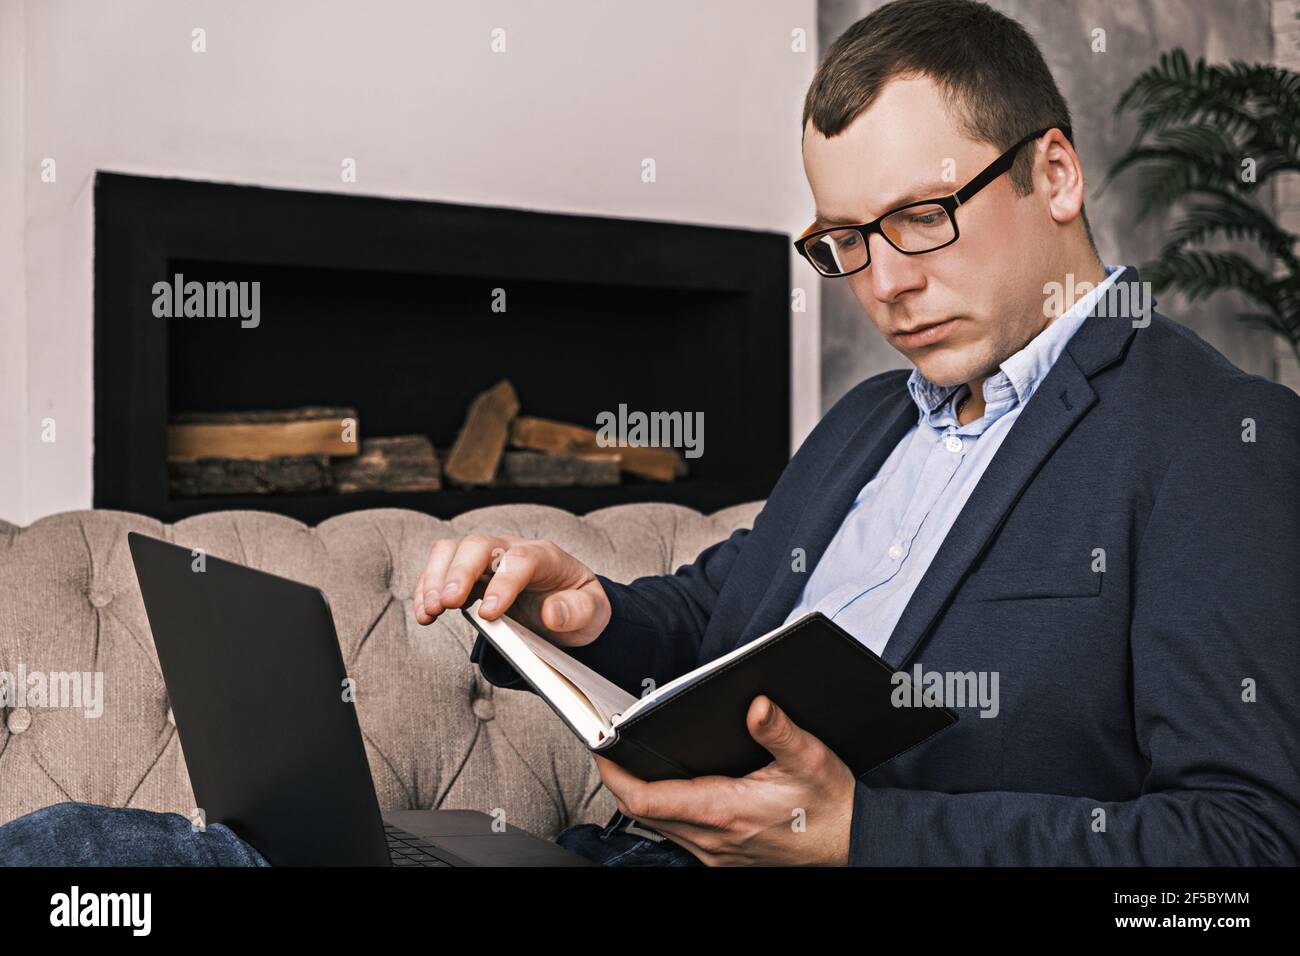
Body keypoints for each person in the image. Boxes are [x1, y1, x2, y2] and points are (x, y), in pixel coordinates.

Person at [4, 0, 1297, 867]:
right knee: (95, 850)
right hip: (612, 859)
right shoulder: (869, 422)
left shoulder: (1210, 438)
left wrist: (864, 838)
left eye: (920, 217)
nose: (885, 282)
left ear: (1054, 175)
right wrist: (586, 615)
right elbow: (721, 616)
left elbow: (1242, 844)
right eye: (843, 244)